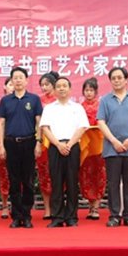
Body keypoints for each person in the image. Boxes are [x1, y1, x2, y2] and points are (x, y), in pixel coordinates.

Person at [97, 67, 128, 227]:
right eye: (113, 78)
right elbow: (101, 122)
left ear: (126, 80)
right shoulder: (105, 100)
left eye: (119, 77)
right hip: (112, 148)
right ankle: (114, 216)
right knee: (113, 183)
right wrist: (114, 141)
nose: (117, 80)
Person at [0, 67, 43, 228]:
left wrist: (39, 142)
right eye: (14, 78)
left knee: (28, 181)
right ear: (11, 81)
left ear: (26, 80)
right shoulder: (5, 101)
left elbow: (39, 123)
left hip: (29, 143)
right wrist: (1, 146)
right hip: (11, 144)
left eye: (20, 77)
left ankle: (27, 215)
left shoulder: (34, 99)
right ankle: (16, 216)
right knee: (14, 181)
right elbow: (1, 124)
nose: (17, 80)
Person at [40, 77, 89, 227]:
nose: (61, 88)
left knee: (72, 182)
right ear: (54, 90)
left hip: (72, 146)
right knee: (56, 182)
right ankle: (57, 217)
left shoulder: (77, 107)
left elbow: (82, 127)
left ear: (70, 89)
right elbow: (45, 128)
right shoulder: (49, 108)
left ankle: (72, 217)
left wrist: (69, 144)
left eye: (64, 86)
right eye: (58, 86)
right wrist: (58, 144)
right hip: (55, 147)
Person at [79, 77, 106, 220]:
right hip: (85, 146)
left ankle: (96, 206)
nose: (89, 93)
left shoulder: (101, 106)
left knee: (99, 175)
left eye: (91, 90)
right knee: (86, 175)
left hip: (99, 144)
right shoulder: (79, 107)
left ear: (96, 92)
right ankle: (90, 205)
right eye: (86, 90)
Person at [37, 72, 58, 219]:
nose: (44, 87)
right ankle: (47, 209)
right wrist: (38, 142)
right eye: (42, 85)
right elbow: (37, 123)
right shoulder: (38, 101)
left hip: (59, 141)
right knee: (44, 174)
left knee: (58, 175)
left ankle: (58, 207)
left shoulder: (60, 100)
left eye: (47, 84)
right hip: (44, 142)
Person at [0, 77, 14, 219]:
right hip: (0, 142)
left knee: (18, 175)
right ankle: (5, 205)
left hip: (17, 143)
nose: (12, 87)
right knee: (3, 175)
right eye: (10, 84)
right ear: (5, 87)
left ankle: (17, 204)